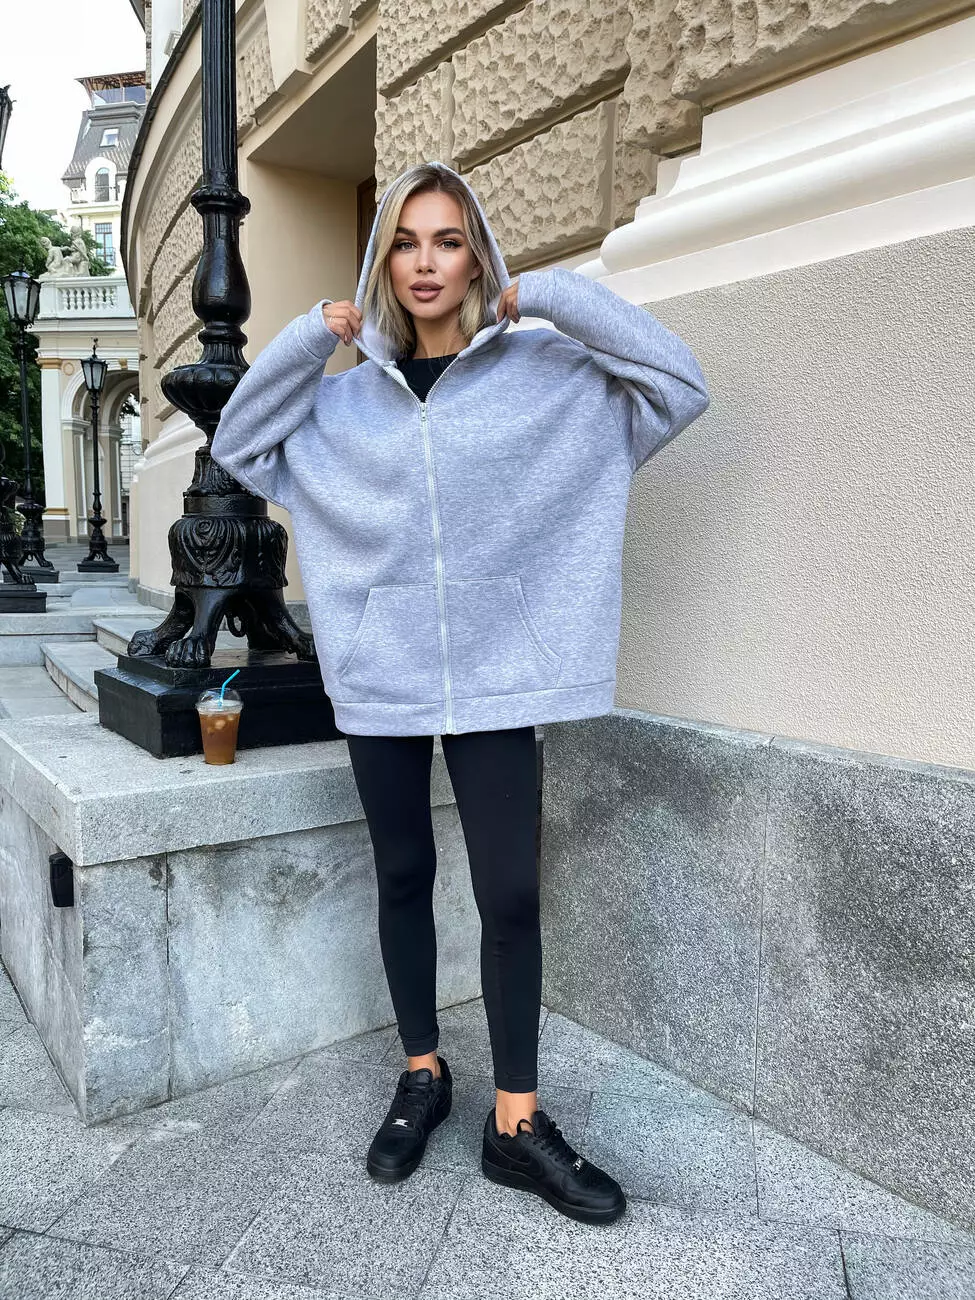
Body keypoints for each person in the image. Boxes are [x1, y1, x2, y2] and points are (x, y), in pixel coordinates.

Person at [210, 160, 709, 1226]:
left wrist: (556, 295)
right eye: (405, 242)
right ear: (382, 262)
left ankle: (515, 1123)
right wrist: (306, 339)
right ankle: (423, 1071)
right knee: (402, 872)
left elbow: (678, 385)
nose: (426, 262)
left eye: (447, 240)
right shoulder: (339, 405)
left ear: (478, 256)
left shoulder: (545, 375)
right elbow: (239, 443)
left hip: (496, 675)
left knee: (510, 893)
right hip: (382, 673)